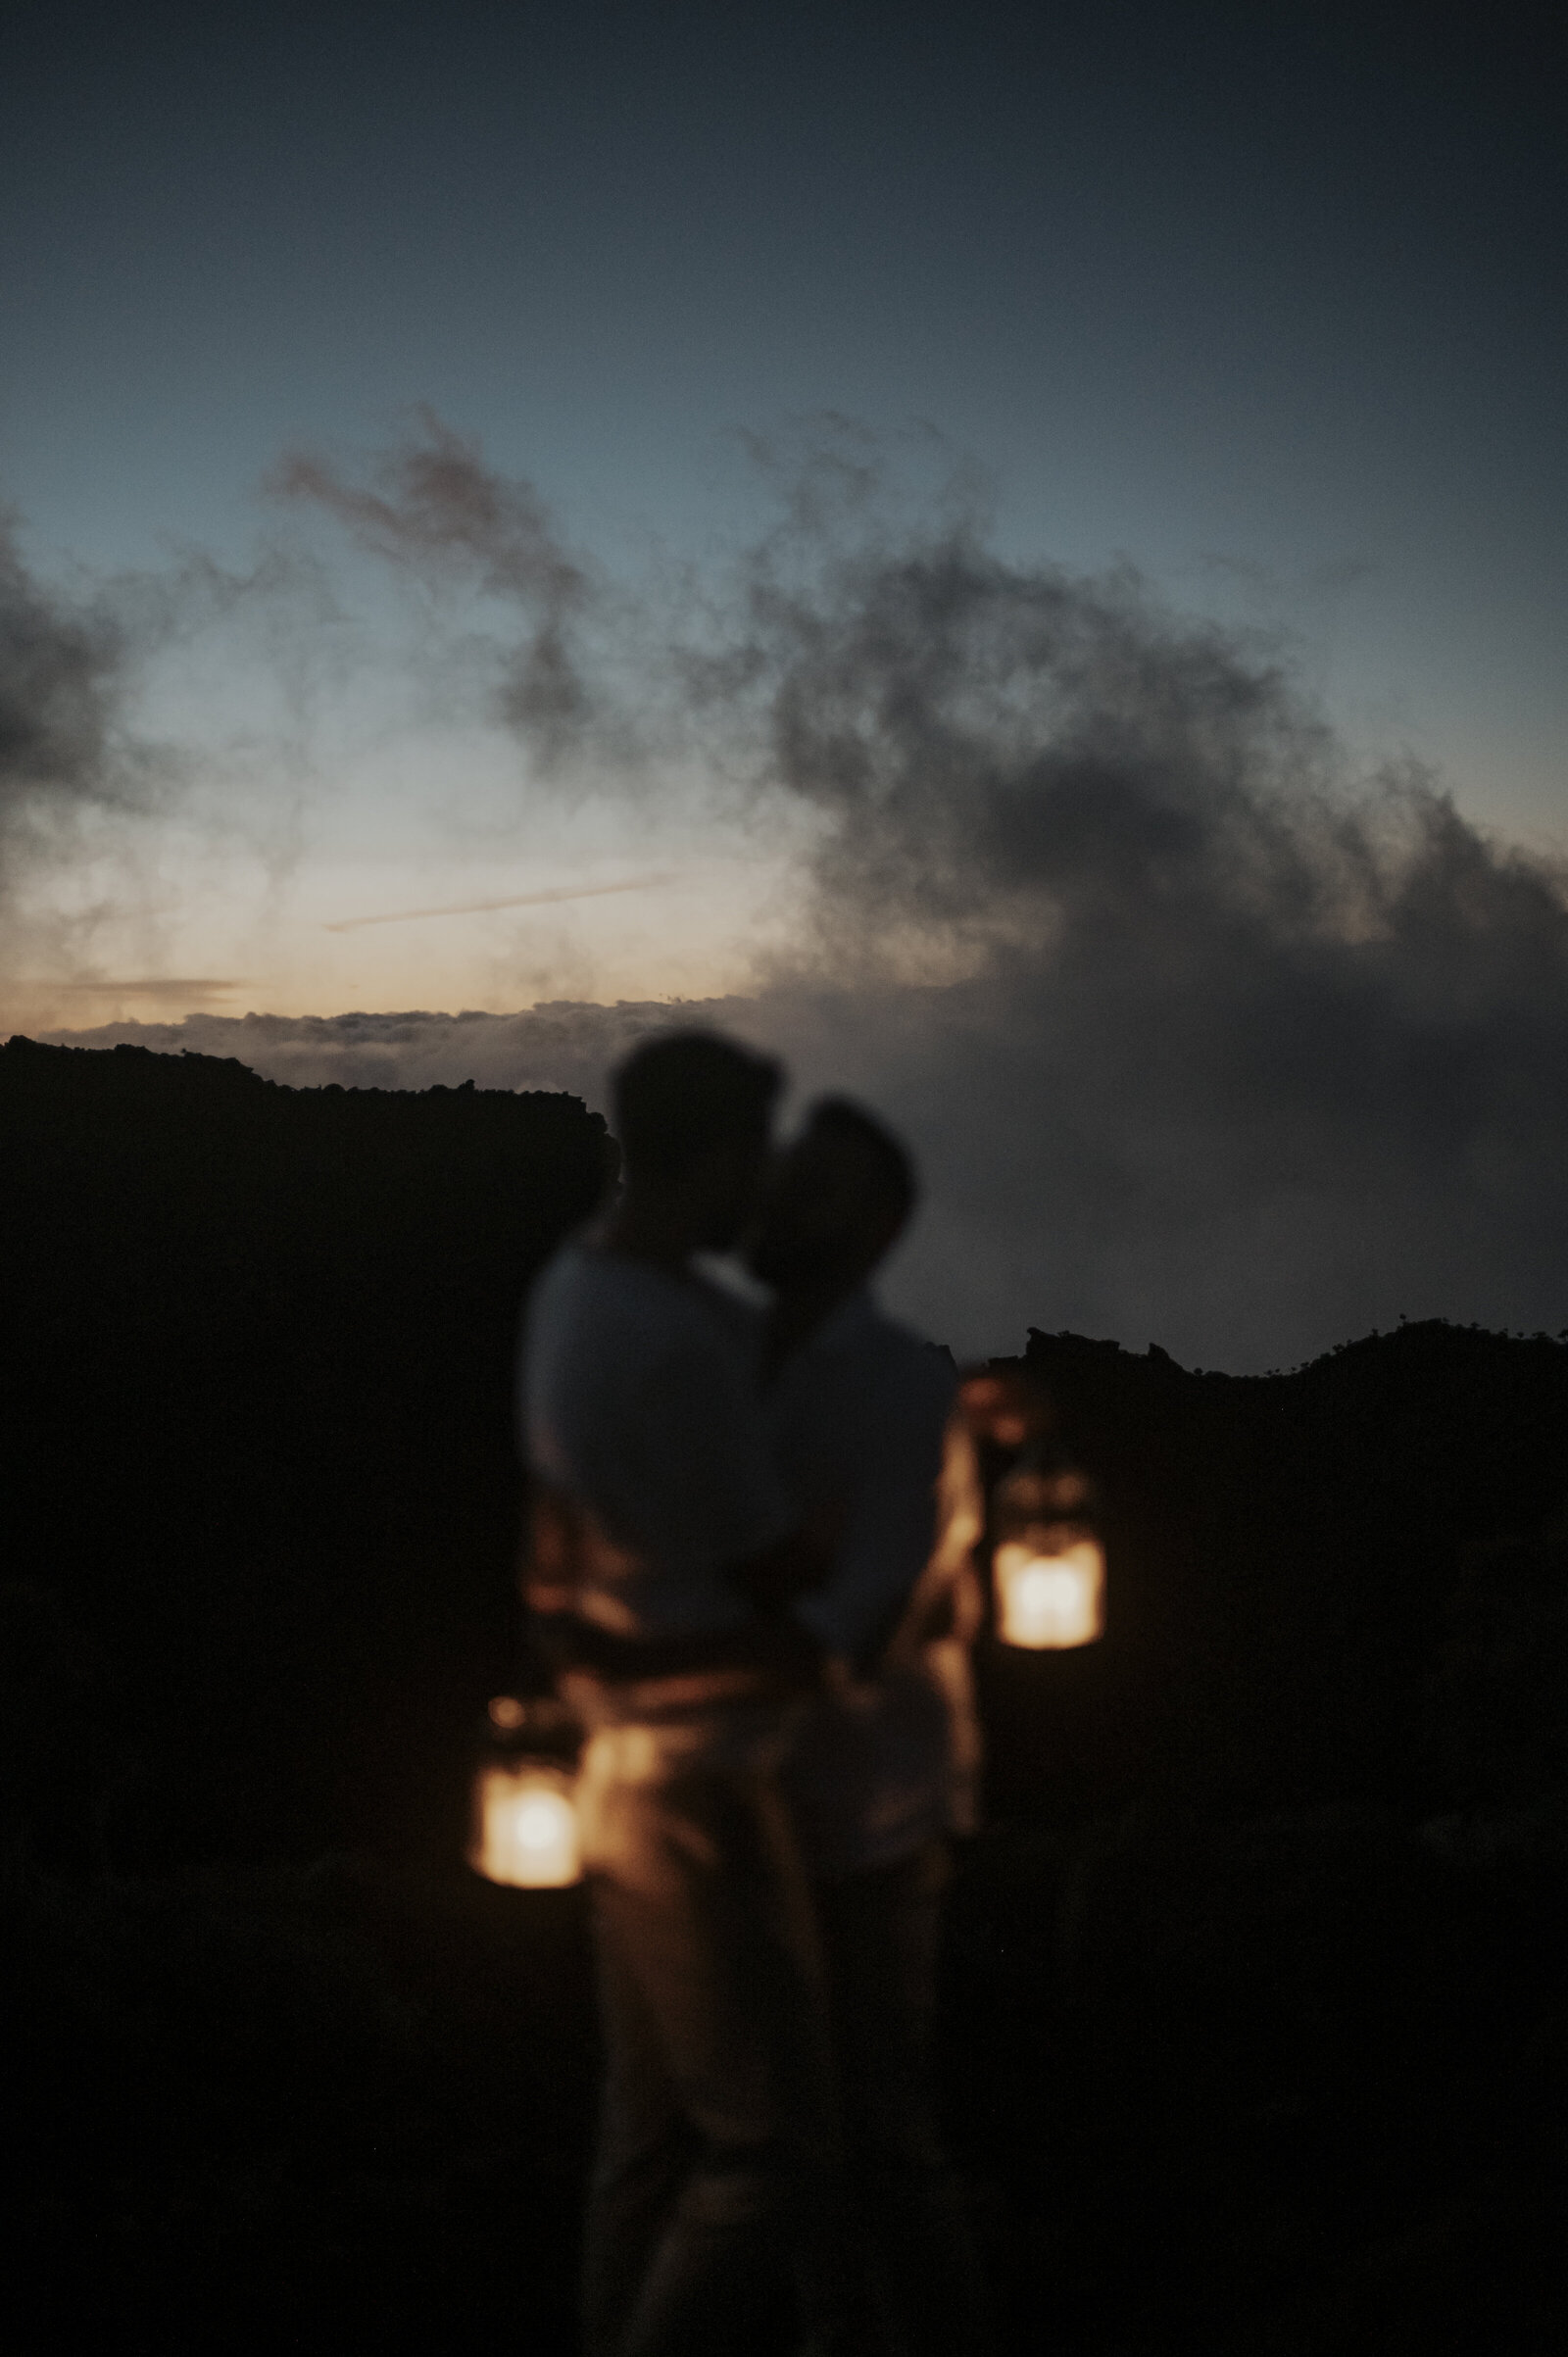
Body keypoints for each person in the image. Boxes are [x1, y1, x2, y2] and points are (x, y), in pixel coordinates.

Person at [517, 1030, 845, 2357]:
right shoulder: (670, 1347)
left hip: (618, 1761)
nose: (763, 1181)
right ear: (709, 1156)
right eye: (752, 1154)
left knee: (646, 2135)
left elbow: (553, 1531)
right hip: (701, 1771)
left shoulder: (572, 1290)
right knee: (769, 2145)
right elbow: (776, 1567)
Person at [750, 1098, 991, 2357]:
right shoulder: (740, 1363)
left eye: (824, 1189)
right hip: (749, 1806)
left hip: (866, 1815)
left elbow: (868, 1610)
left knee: (875, 2142)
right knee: (779, 2140)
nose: (787, 1202)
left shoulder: (892, 1382)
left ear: (877, 1227)